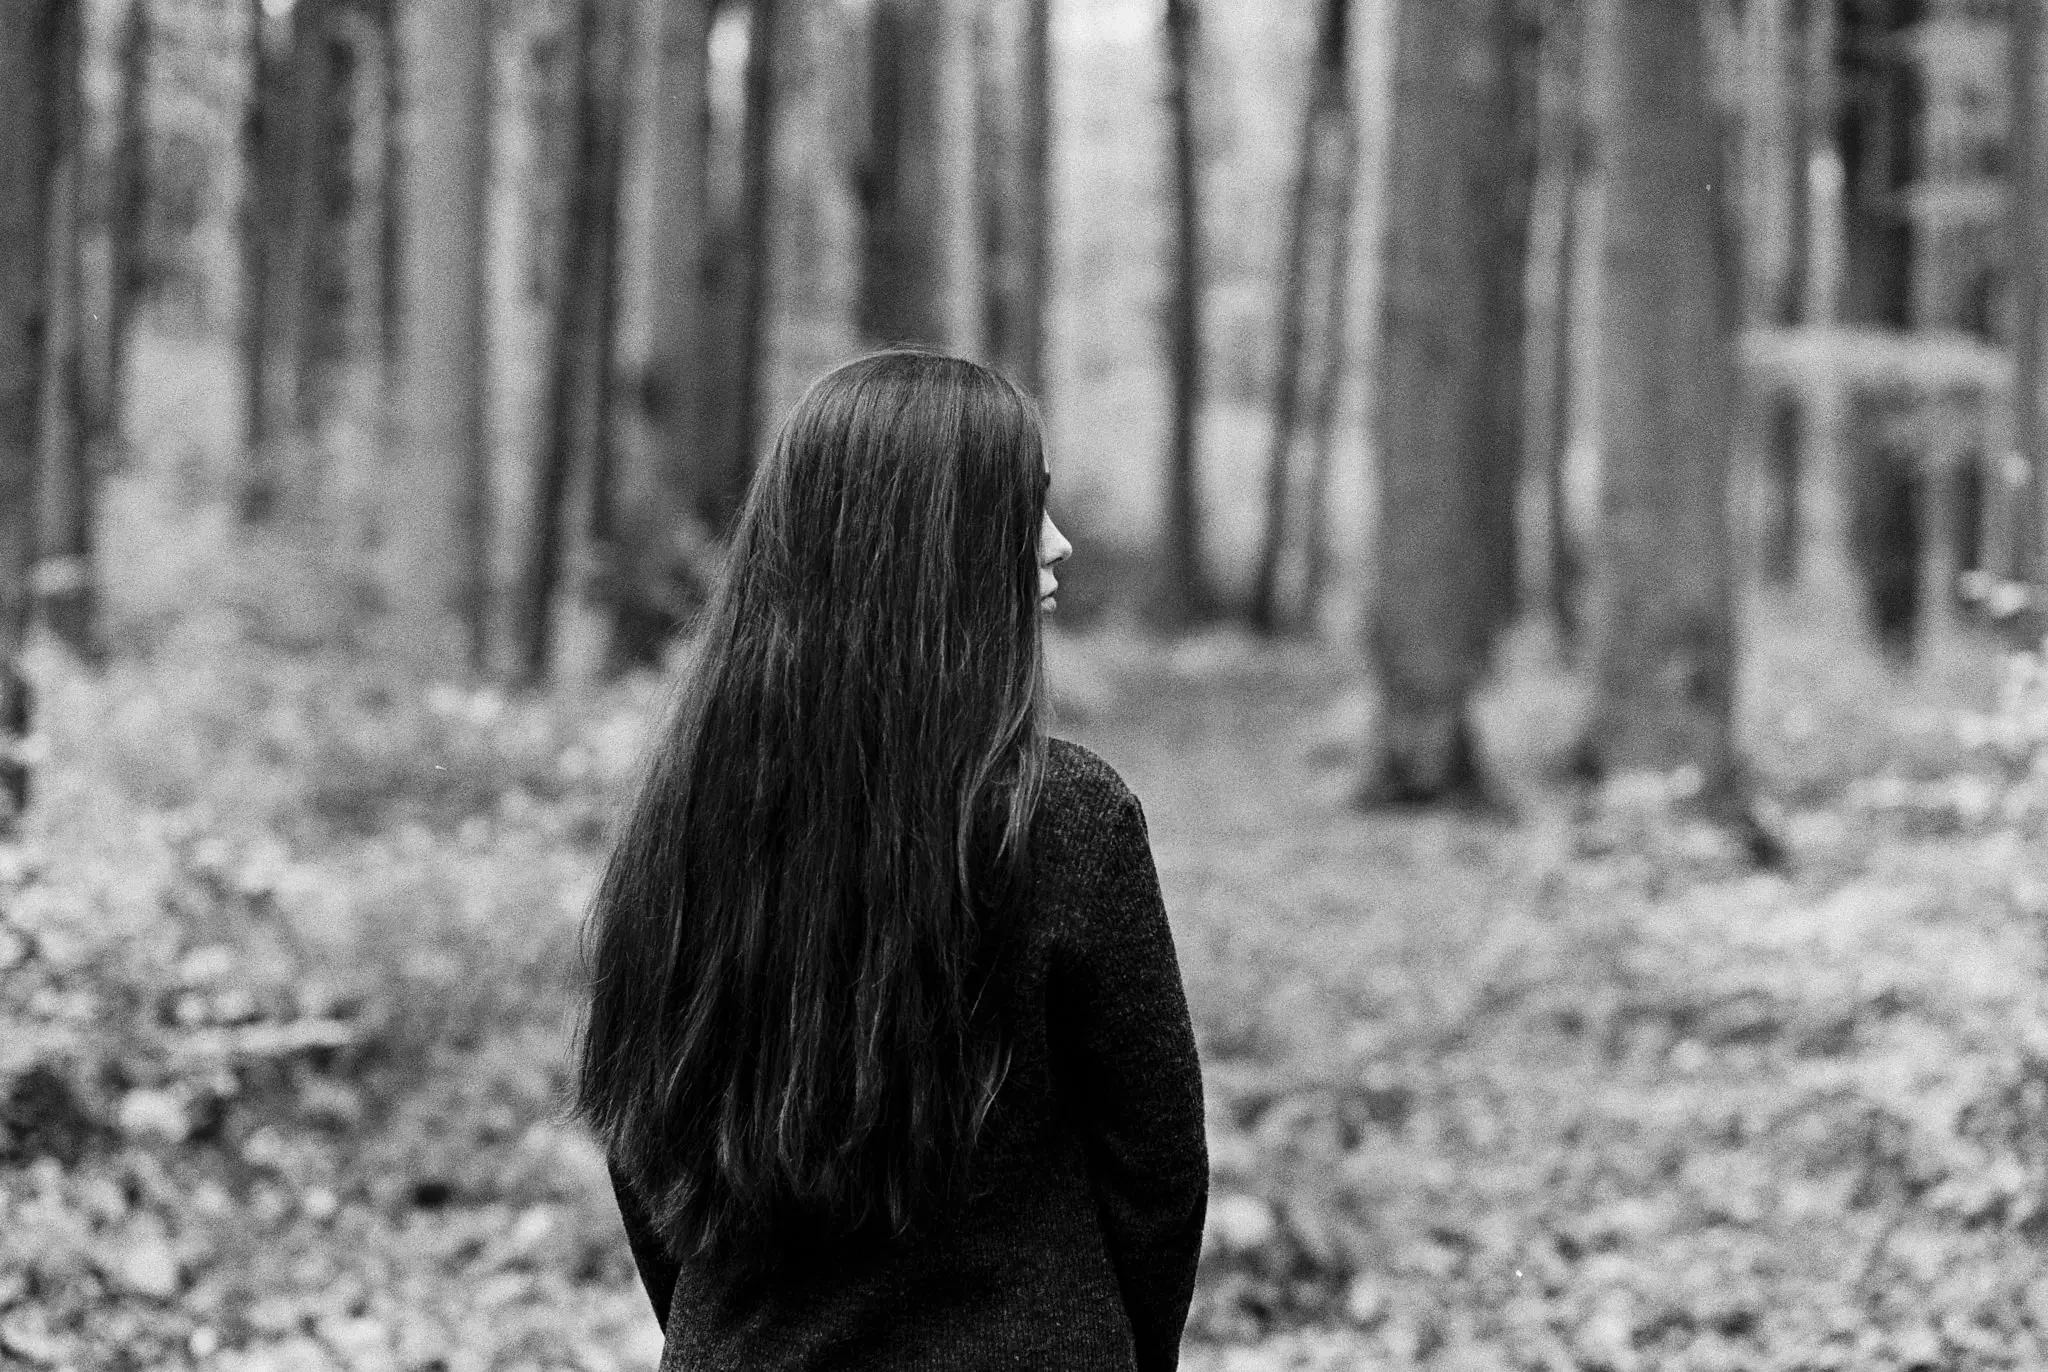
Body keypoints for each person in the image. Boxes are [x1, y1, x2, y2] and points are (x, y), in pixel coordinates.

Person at [573, 349, 1208, 1371]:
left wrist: (725, 1333)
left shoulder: (682, 812)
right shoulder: (1067, 818)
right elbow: (1157, 1173)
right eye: (1022, 508)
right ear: (935, 547)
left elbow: (641, 1137)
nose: (1056, 543)